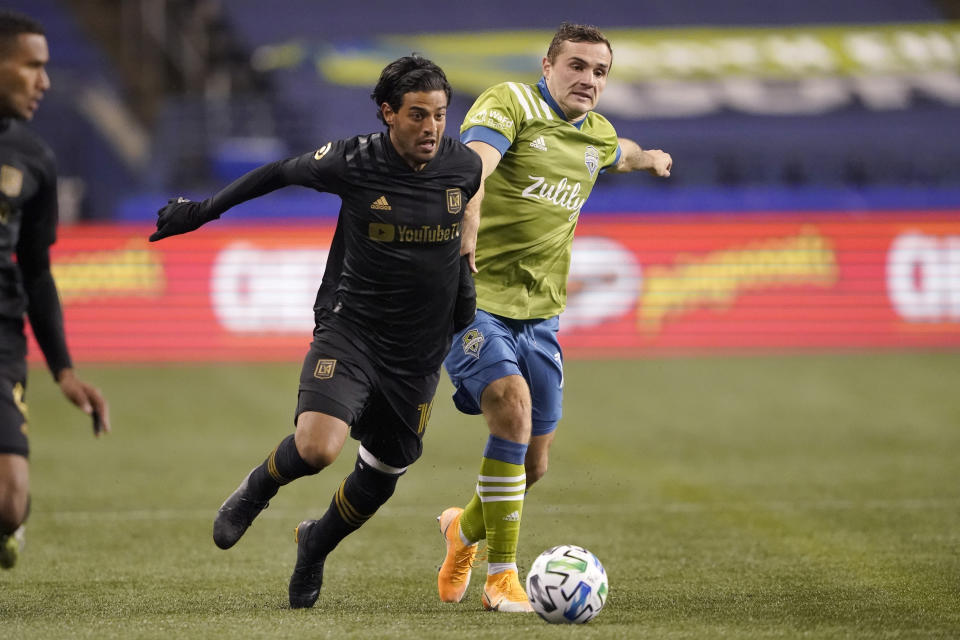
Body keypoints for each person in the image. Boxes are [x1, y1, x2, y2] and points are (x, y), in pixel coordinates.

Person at [149, 55, 482, 609]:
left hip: (419, 352)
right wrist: (202, 211)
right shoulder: (352, 161)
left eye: (440, 116)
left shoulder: (464, 167)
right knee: (318, 446)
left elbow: (459, 241)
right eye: (418, 115)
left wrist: (464, 321)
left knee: (381, 475)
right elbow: (278, 171)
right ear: (388, 113)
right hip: (351, 330)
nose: (431, 129)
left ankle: (314, 545)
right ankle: (257, 490)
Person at [436, 22, 673, 612]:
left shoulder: (597, 135)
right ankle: (501, 579)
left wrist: (652, 158)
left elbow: (621, 153)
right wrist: (467, 221)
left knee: (533, 465)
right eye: (577, 66)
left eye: (600, 72)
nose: (588, 80)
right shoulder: (510, 102)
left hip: (541, 314)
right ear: (547, 66)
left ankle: (460, 532)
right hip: (471, 298)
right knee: (512, 410)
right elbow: (478, 164)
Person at [0, 10, 111, 570]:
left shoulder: (33, 158)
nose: (44, 80)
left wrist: (64, 371)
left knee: (8, 503)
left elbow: (37, 271)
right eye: (32, 66)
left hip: (1, 341)